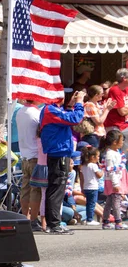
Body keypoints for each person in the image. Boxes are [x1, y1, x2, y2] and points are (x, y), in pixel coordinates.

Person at [39, 90, 85, 235]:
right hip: (58, 153)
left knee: (57, 188)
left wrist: (70, 106)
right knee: (56, 189)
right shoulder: (49, 110)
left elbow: (67, 118)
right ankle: (54, 224)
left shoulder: (52, 110)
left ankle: (54, 223)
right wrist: (79, 102)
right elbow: (75, 119)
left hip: (60, 152)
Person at [16, 98, 43, 230]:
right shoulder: (36, 113)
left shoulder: (20, 111)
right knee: (35, 189)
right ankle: (33, 220)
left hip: (25, 155)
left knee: (25, 188)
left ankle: (24, 217)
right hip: (34, 155)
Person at [100, 130, 128, 230]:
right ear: (115, 142)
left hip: (117, 179)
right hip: (114, 181)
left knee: (109, 202)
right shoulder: (110, 154)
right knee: (116, 202)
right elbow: (110, 170)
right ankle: (118, 222)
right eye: (121, 141)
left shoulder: (116, 152)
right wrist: (116, 184)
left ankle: (106, 221)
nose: (122, 143)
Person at [104, 68, 128, 154]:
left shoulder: (126, 89)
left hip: (124, 124)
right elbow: (122, 111)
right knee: (120, 152)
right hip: (115, 126)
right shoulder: (115, 90)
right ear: (124, 79)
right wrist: (125, 109)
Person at [80, 146, 103, 226]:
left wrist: (81, 188)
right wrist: (102, 170)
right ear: (93, 157)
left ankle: (88, 218)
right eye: (98, 156)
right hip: (93, 187)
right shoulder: (93, 165)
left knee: (88, 204)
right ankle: (90, 219)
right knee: (92, 204)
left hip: (86, 187)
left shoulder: (83, 166)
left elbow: (82, 178)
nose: (98, 158)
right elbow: (99, 175)